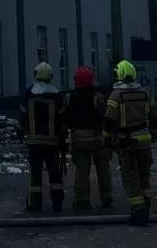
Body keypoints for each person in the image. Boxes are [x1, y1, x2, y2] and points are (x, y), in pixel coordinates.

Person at [103, 59, 157, 226]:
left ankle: (138, 211)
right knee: (144, 176)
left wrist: (107, 140)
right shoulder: (145, 93)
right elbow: (155, 115)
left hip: (126, 143)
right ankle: (146, 206)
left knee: (130, 177)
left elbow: (109, 120)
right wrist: (154, 134)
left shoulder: (116, 96)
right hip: (145, 142)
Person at [63, 66, 112, 210]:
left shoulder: (69, 97)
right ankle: (106, 198)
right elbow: (106, 114)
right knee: (103, 170)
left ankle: (82, 199)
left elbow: (65, 118)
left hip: (78, 140)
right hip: (98, 140)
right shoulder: (98, 96)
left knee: (81, 172)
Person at [19, 61, 67, 212]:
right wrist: (63, 139)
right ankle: (57, 203)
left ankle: (35, 204)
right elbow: (62, 119)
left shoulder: (28, 93)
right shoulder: (57, 95)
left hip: (34, 141)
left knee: (35, 173)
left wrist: (21, 132)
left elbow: (22, 116)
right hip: (52, 142)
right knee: (55, 173)